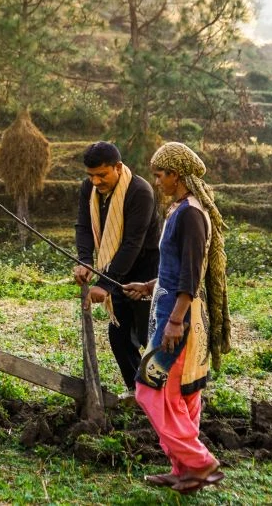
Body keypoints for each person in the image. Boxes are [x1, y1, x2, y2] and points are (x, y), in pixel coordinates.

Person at [122, 142, 231, 495]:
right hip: (176, 311)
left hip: (179, 320)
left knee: (149, 389)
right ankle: (183, 470)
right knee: (183, 396)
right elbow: (176, 269)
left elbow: (191, 274)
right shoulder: (182, 210)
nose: (156, 181)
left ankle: (200, 463)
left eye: (160, 174)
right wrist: (150, 285)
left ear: (177, 175)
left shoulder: (190, 215)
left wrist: (175, 321)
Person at [72, 141, 161, 395]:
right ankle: (138, 391)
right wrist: (85, 260)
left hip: (146, 268)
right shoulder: (89, 189)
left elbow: (133, 242)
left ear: (118, 167)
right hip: (113, 268)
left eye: (102, 174)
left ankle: (169, 393)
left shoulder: (139, 191)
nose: (96, 181)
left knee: (149, 334)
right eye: (91, 176)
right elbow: (83, 225)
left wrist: (104, 283)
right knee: (119, 335)